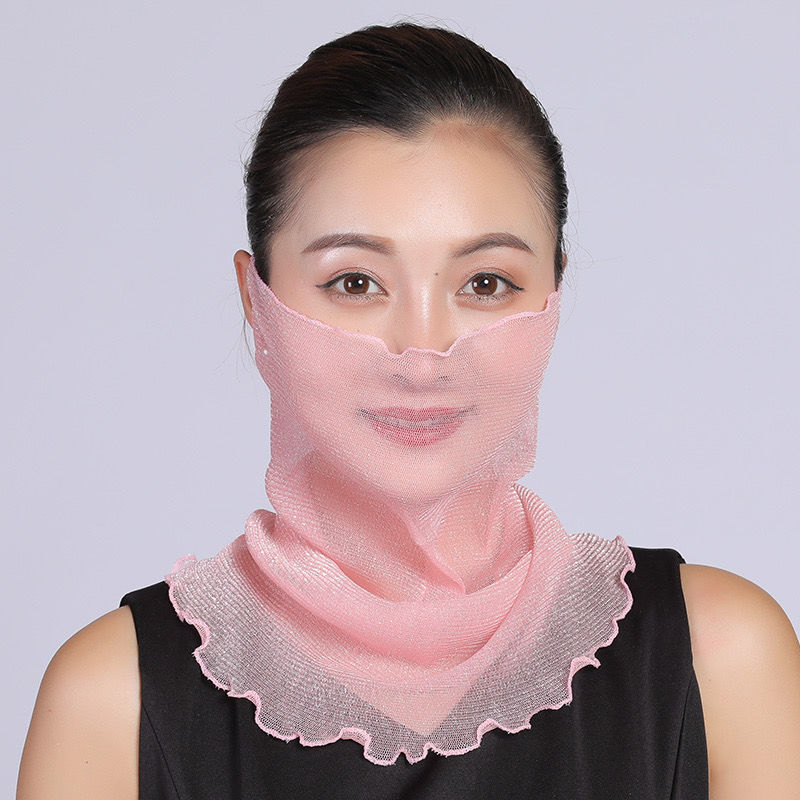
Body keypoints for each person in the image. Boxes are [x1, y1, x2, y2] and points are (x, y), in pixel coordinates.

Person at [17, 22, 800, 800]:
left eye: (485, 284)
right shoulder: (113, 704)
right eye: (355, 283)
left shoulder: (719, 663)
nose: (423, 351)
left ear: (556, 295)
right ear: (255, 301)